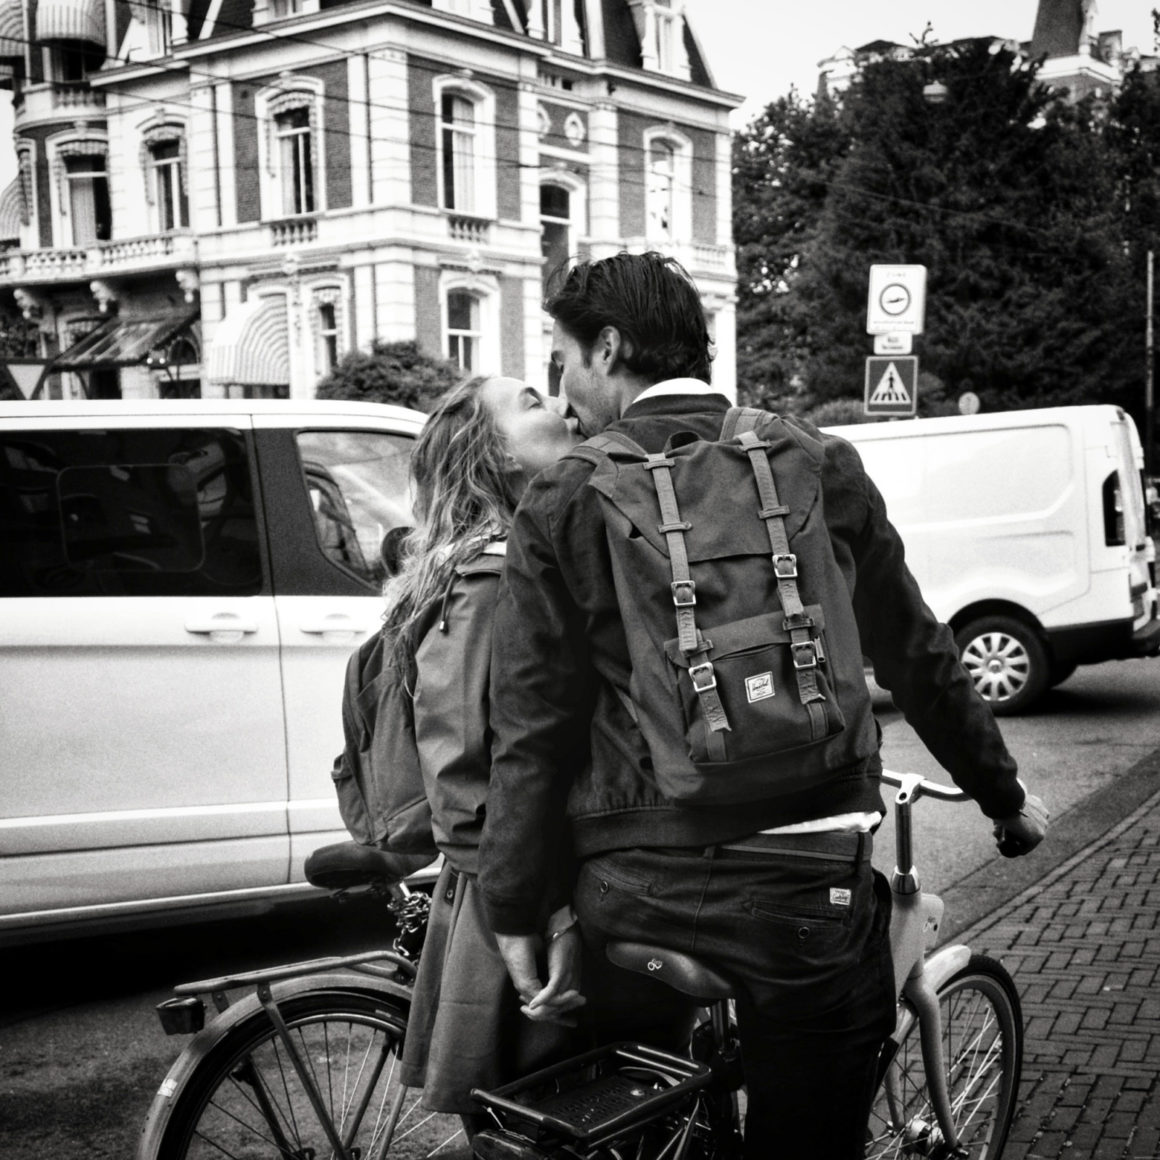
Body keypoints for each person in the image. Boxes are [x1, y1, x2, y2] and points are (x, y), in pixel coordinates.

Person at [476, 251, 1050, 1158]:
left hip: (632, 893)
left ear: (610, 346)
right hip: (802, 891)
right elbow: (916, 649)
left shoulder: (567, 496)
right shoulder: (818, 462)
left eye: (564, 361)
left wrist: (515, 909)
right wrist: (1002, 794)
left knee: (638, 1120)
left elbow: (531, 730)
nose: (564, 390)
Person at [381, 374, 584, 1128]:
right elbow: (463, 763)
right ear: (490, 457)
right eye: (531, 401)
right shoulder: (492, 575)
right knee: (538, 1119)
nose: (560, 406)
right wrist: (538, 911)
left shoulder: (497, 560)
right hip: (513, 884)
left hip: (509, 876)